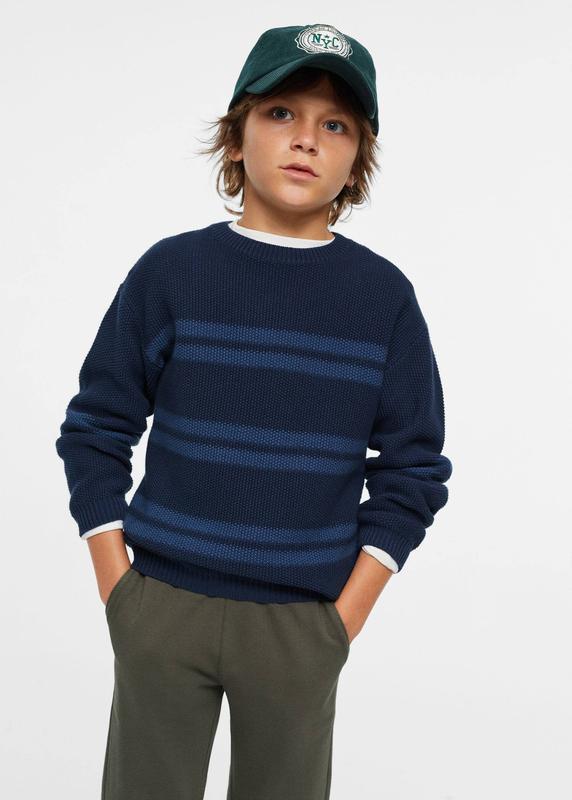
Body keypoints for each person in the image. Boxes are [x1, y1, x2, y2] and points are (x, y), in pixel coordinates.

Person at [55, 22, 453, 800]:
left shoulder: (383, 300)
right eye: (280, 114)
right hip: (160, 607)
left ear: (357, 159)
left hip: (302, 622)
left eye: (335, 125)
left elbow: (414, 468)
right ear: (236, 138)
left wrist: (342, 619)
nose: (306, 139)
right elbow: (97, 426)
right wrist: (119, 588)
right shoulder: (173, 272)